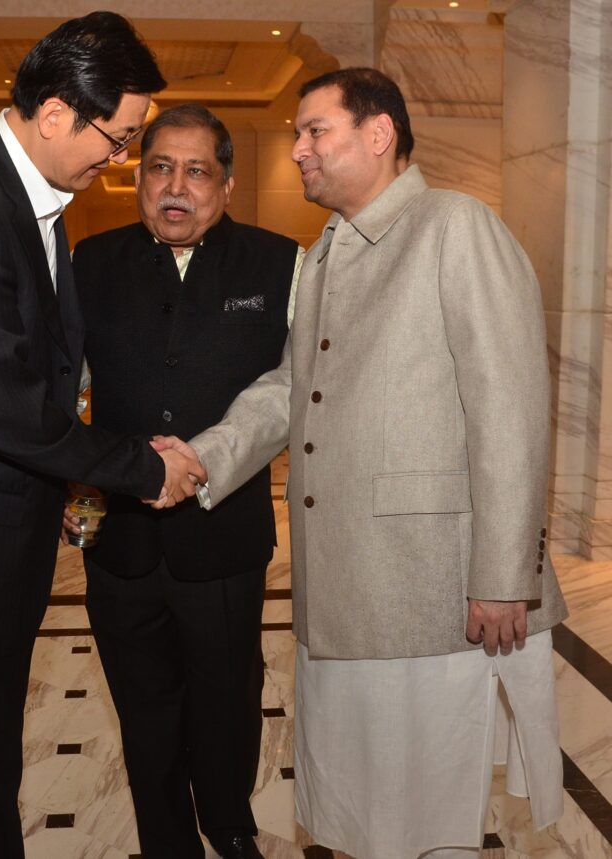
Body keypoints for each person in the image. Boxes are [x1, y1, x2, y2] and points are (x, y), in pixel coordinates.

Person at [167, 68, 568, 859]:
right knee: (363, 807)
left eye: (315, 131)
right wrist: (203, 459)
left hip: (434, 589)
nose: (298, 152)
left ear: (378, 134)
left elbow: (512, 409)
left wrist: (502, 573)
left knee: (428, 808)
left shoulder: (456, 227)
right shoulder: (327, 253)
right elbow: (292, 389)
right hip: (345, 590)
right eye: (296, 136)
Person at [0, 14, 205, 859]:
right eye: (120, 138)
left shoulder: (29, 199)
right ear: (57, 113)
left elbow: (49, 371)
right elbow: (5, 409)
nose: (118, 158)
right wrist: (137, 467)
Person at [66, 104, 302, 859]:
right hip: (121, 542)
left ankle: (230, 825)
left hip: (223, 537)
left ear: (226, 184)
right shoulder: (89, 262)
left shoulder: (280, 263)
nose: (176, 186)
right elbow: (69, 393)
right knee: (144, 709)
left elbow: (292, 389)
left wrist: (205, 458)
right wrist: (77, 496)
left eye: (196, 170)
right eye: (159, 167)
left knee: (228, 698)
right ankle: (168, 841)